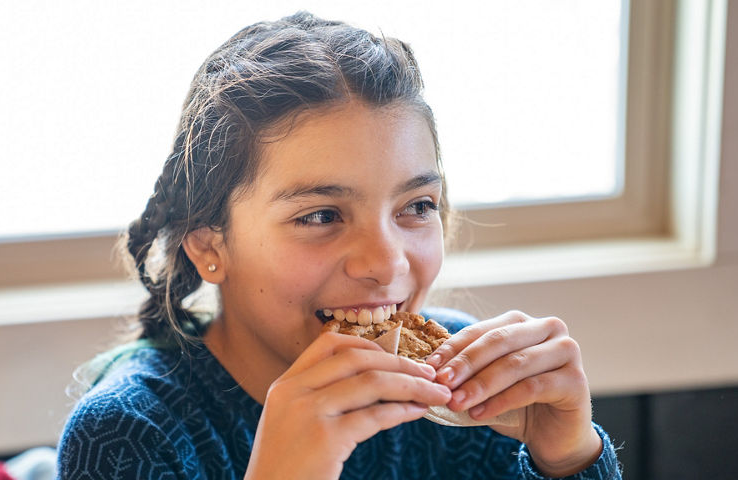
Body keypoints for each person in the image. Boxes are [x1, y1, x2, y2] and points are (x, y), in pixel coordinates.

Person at [57, 11, 622, 479]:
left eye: (416, 207)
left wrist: (568, 458)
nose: (387, 263)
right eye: (322, 215)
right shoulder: (128, 435)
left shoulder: (470, 400)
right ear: (208, 245)